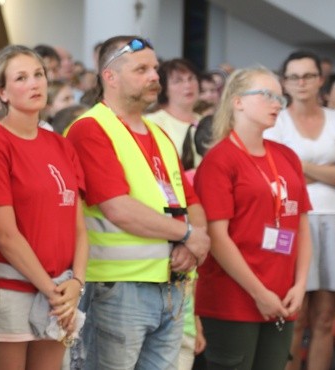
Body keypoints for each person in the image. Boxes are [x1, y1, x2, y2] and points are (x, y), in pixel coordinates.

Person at [65, 35, 210, 370]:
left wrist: (194, 242)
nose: (154, 76)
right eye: (141, 69)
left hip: (171, 285)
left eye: (155, 68)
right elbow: (118, 208)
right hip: (117, 289)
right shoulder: (90, 129)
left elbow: (192, 203)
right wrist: (189, 236)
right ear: (109, 77)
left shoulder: (159, 134)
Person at [0, 44, 88, 370]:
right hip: (12, 290)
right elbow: (6, 235)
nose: (35, 83)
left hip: (61, 289)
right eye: (21, 78)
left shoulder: (60, 144)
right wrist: (53, 291)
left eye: (38, 74)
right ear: (3, 92)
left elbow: (78, 226)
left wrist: (76, 284)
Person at [194, 66, 312, 370]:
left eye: (280, 97)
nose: (278, 103)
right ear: (237, 101)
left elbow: (301, 225)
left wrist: (300, 285)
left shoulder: (286, 156)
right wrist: (260, 293)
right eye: (267, 95)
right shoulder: (220, 160)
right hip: (234, 298)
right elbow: (217, 238)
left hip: (283, 297)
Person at [264, 50, 335, 370]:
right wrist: (325, 170)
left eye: (308, 76)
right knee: (293, 317)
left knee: (326, 318)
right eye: (294, 76)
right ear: (284, 82)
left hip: (334, 220)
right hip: (292, 220)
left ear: (321, 79)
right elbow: (276, 174)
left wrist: (299, 165)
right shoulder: (277, 119)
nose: (301, 83)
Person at [146, 58, 202, 171]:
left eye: (191, 78)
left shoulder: (206, 122)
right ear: (164, 88)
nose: (188, 85)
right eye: (178, 81)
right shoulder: (153, 122)